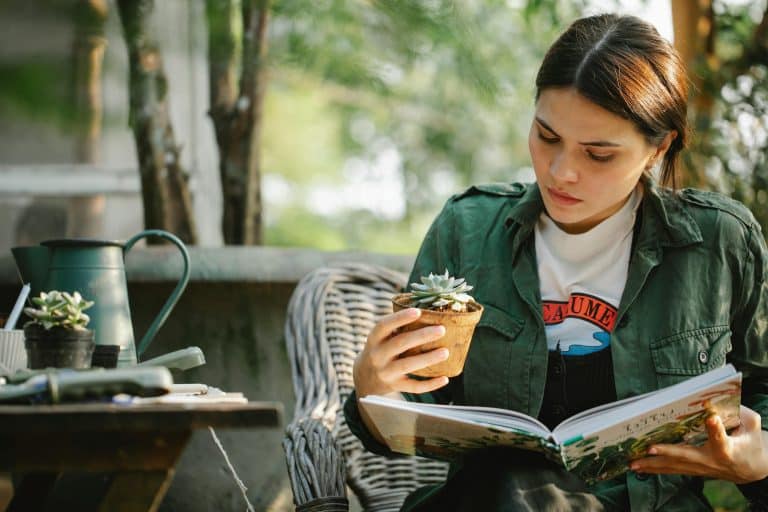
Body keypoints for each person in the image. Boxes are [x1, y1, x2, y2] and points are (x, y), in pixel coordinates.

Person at [344, 13, 768, 511]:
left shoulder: (718, 244)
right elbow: (415, 407)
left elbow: (760, 390)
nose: (562, 172)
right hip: (490, 502)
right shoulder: (467, 230)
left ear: (659, 148)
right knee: (512, 484)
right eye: (547, 137)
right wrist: (376, 393)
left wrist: (758, 458)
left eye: (599, 155)